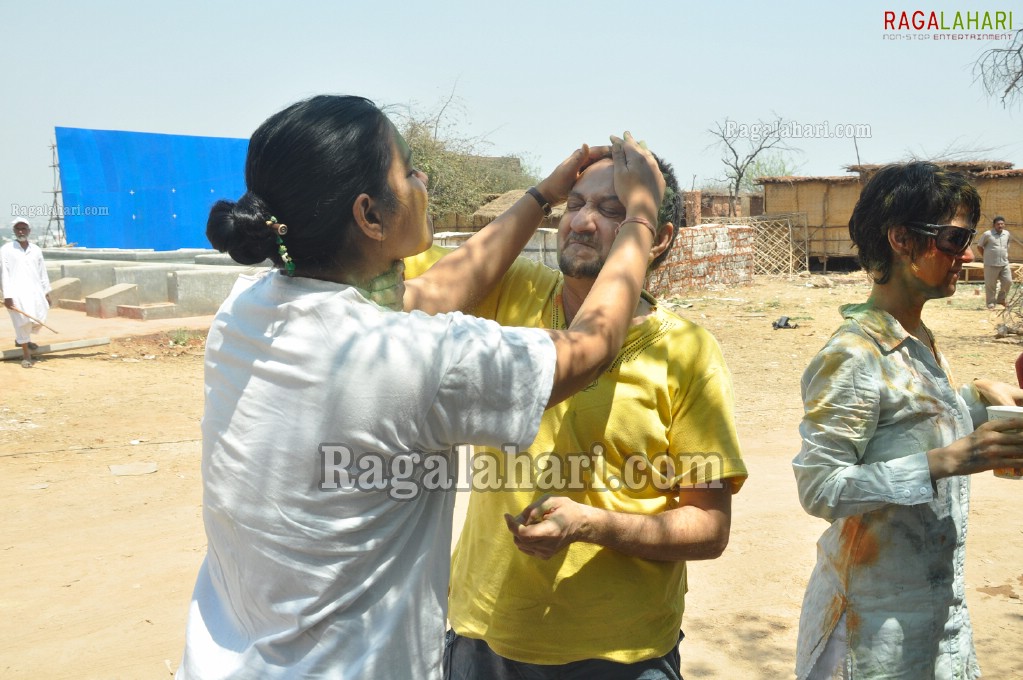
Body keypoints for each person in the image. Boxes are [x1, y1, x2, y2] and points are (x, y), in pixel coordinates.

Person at [175, 93, 666, 680]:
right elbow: (588, 347)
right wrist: (639, 214)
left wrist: (541, 197)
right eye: (408, 170)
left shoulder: (244, 312)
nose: (423, 177)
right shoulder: (418, 361)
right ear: (369, 215)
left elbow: (431, 293)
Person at [405, 154, 747, 679]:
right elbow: (406, 284)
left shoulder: (688, 352)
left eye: (613, 209)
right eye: (575, 204)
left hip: (622, 654)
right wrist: (541, 193)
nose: (582, 222)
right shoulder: (508, 291)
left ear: (657, 237)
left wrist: (592, 524)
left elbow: (709, 526)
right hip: (485, 638)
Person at [792, 161, 1023, 679]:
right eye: (952, 238)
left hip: (937, 626)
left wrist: (976, 401)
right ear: (900, 239)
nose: (965, 253)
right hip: (873, 636)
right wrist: (946, 461)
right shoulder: (854, 354)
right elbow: (821, 488)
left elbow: (902, 425)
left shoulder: (915, 338)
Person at [1, 218, 51, 368]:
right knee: (21, 322)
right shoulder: (6, 249)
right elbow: (4, 273)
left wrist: (46, 292)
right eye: (18, 229)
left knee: (37, 317)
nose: (21, 231)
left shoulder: (35, 249)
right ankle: (27, 356)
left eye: (24, 229)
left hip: (35, 292)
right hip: (16, 293)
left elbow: (42, 272)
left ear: (29, 231)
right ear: (14, 231)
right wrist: (7, 296)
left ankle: (23, 340)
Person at [976, 215, 1012, 309]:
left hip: (1004, 263)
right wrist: (985, 256)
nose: (1000, 226)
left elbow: (1007, 245)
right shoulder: (988, 234)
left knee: (1008, 281)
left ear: (1004, 224)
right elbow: (979, 246)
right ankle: (991, 303)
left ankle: (1001, 299)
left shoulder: (1007, 234)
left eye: (1002, 224)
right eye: (998, 224)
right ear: (994, 225)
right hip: (990, 264)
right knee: (991, 285)